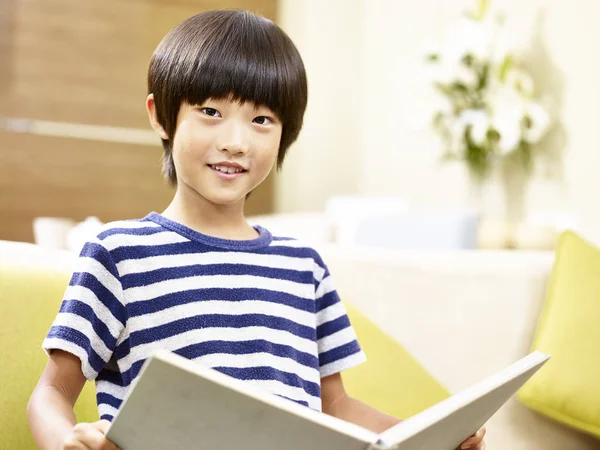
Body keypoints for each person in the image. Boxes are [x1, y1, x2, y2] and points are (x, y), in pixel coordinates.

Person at [27, 9, 486, 450]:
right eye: (210, 111)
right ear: (160, 115)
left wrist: (435, 437)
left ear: (286, 134)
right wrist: (66, 440)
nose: (236, 141)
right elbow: (51, 393)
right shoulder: (119, 254)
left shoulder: (304, 267)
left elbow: (336, 405)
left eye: (262, 120)